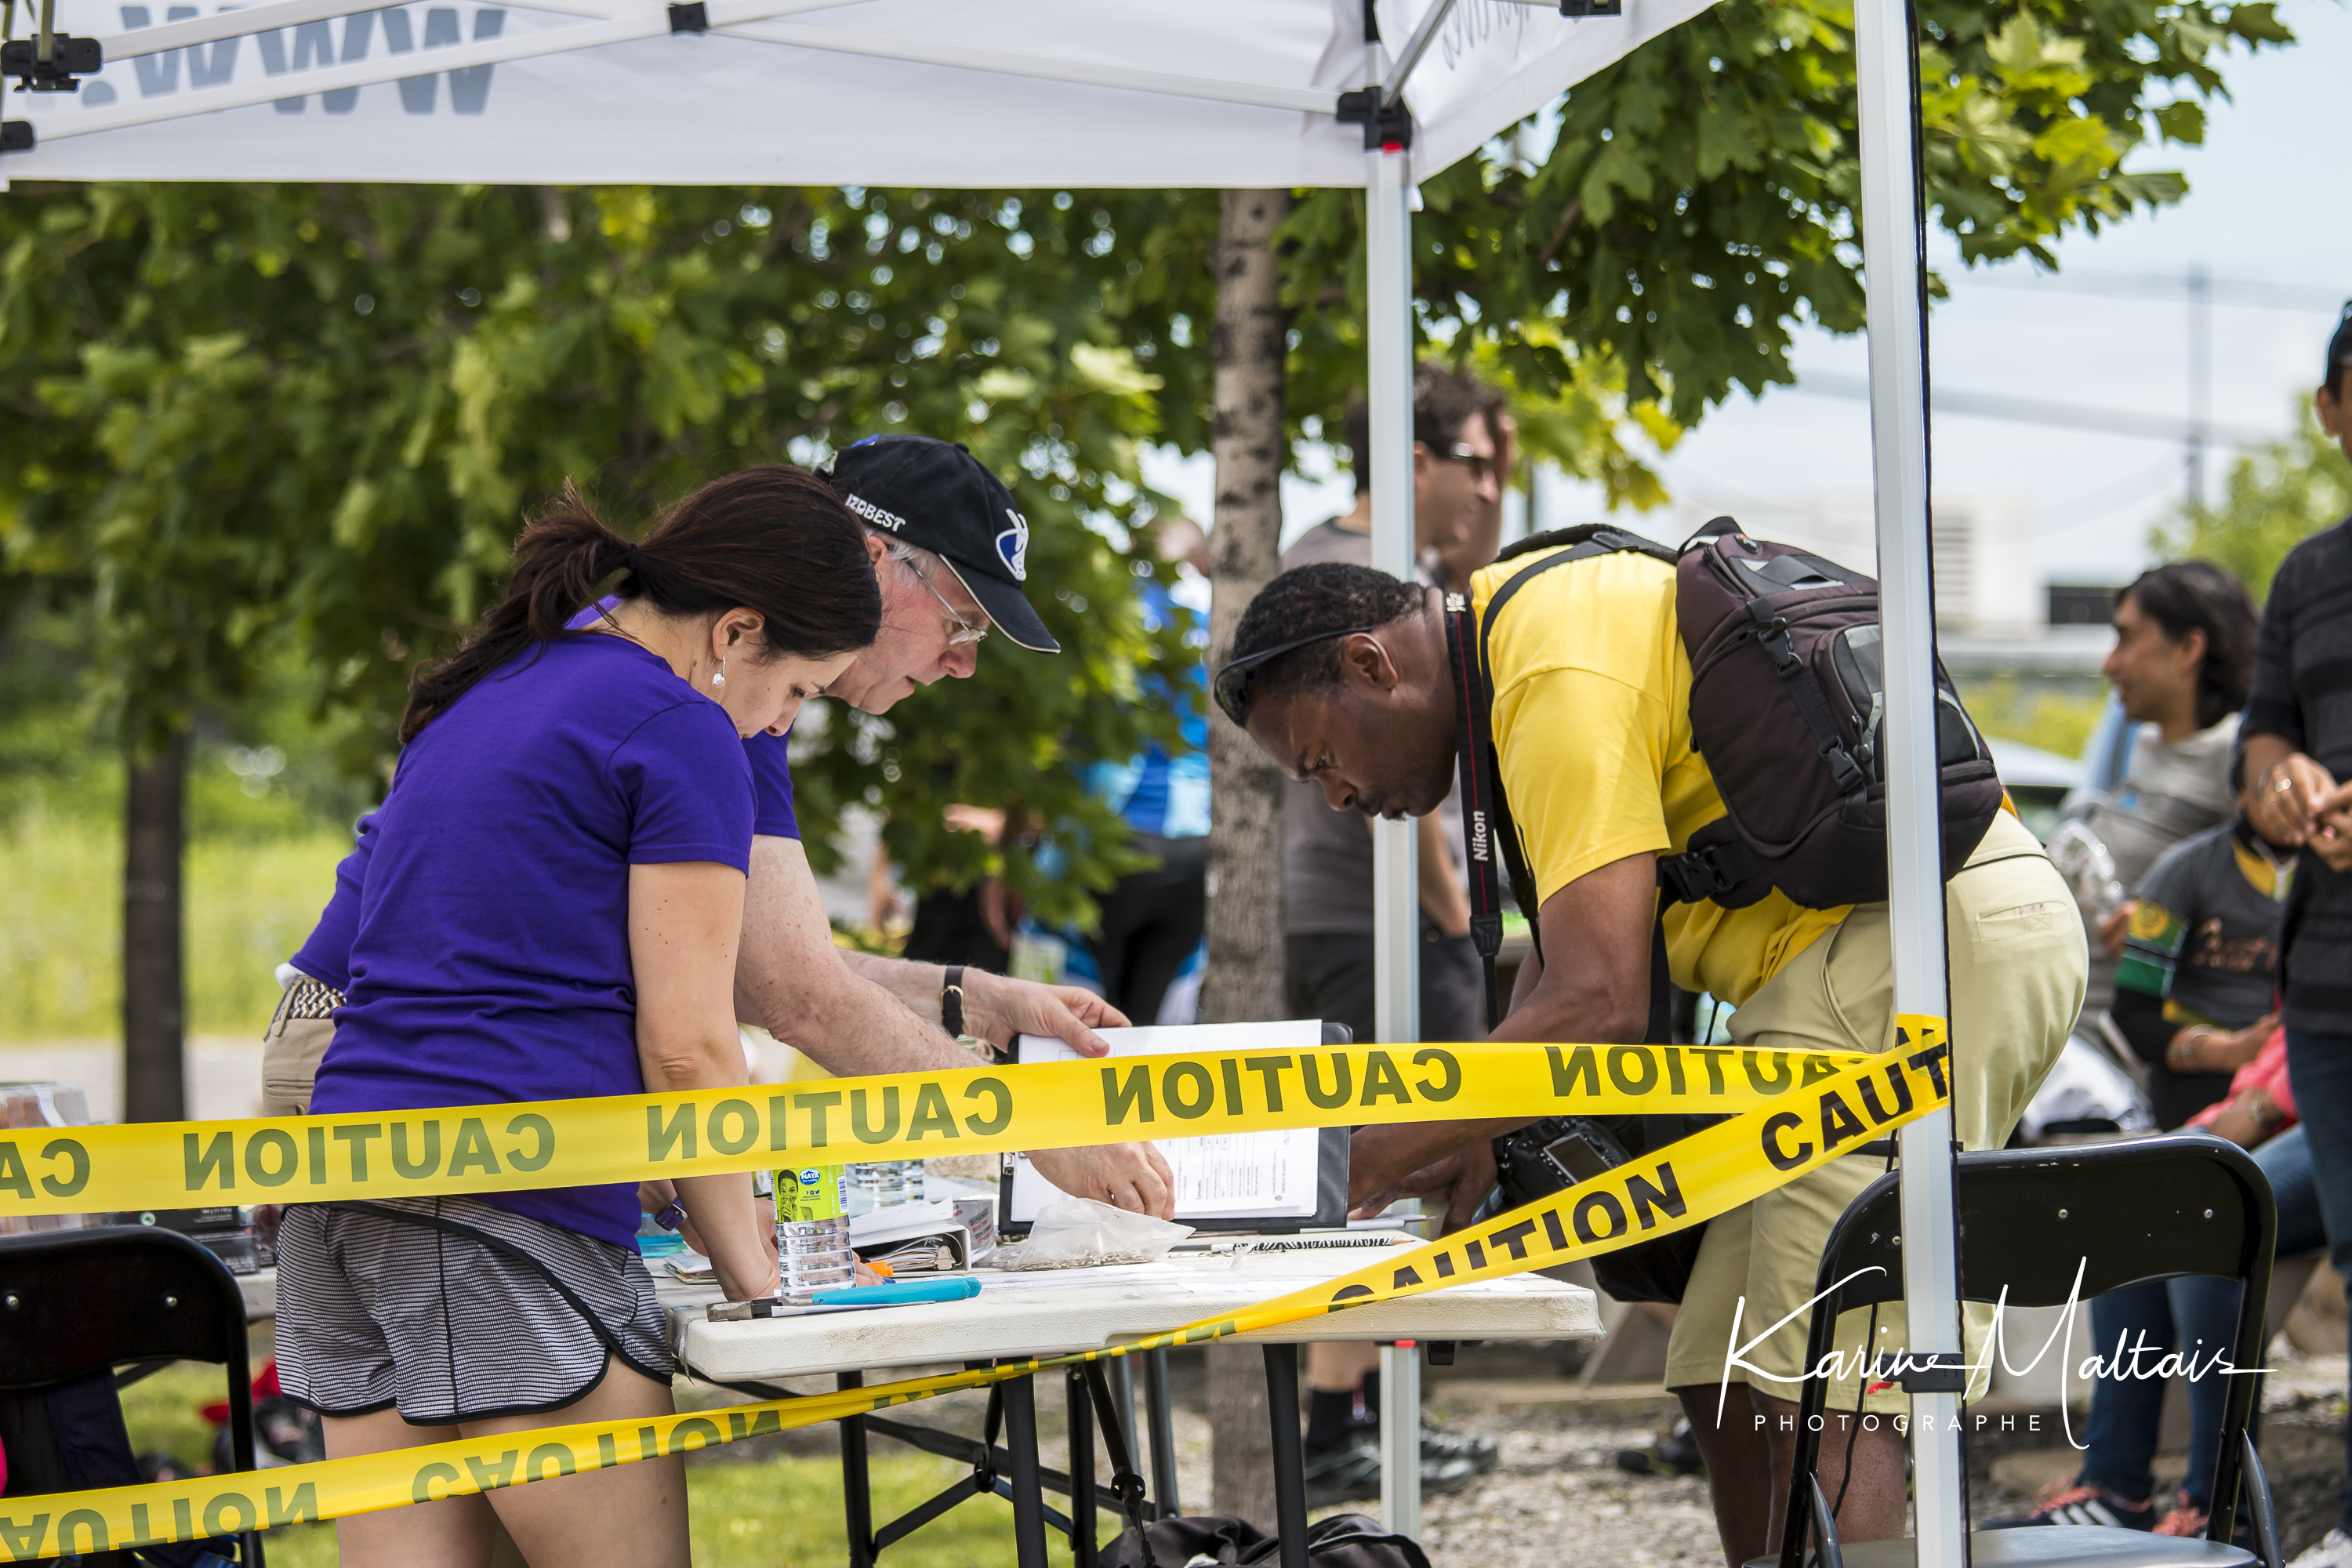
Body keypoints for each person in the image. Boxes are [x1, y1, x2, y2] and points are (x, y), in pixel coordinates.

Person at [1214, 555, 2085, 1567]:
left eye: (1321, 760)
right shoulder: (1522, 631)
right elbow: (1560, 954)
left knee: (1829, 1380)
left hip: (1918, 949)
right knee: (1718, 1365)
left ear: (1370, 665)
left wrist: (1351, 1169)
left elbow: (1599, 997)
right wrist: (1473, 1129)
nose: (1336, 798)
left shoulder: (1545, 671)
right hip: (1860, 955)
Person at [269, 434, 1175, 1216]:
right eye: (960, 618)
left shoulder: (702, 657)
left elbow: (726, 960)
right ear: (869, 561)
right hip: (431, 1071)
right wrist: (1032, 1128)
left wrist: (968, 995)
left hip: (420, 1064)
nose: (964, 661)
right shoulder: (713, 694)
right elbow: (794, 993)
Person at [276, 466, 880, 1566]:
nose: (784, 722)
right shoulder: (685, 729)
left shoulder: (494, 684)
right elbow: (691, 1047)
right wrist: (762, 1287)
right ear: (737, 632)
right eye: (801, 690)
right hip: (508, 1208)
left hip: (344, 1193)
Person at [1279, 365, 1507, 1502]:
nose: (1487, 484)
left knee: (1405, 1148)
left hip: (1375, 921)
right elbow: (1399, 795)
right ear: (1413, 461)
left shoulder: (1387, 569)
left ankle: (1366, 1408)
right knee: (1396, 1144)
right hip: (1376, 921)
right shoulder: (1350, 579)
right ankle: (1336, 1419)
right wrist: (1462, 913)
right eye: (1474, 460)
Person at [1994, 770, 2287, 1536]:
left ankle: (2215, 1500)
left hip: (2278, 1119)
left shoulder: (2320, 882)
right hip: (2224, 1114)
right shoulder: (2189, 869)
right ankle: (2120, 1481)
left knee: (2198, 1216)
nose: (2299, 791)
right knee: (2137, 1213)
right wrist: (2228, 1053)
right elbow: (2136, 1010)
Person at [2243, 303, 2352, 1568]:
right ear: (2330, 408)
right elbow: (2265, 734)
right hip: (2323, 985)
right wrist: (2281, 786)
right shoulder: (2310, 574)